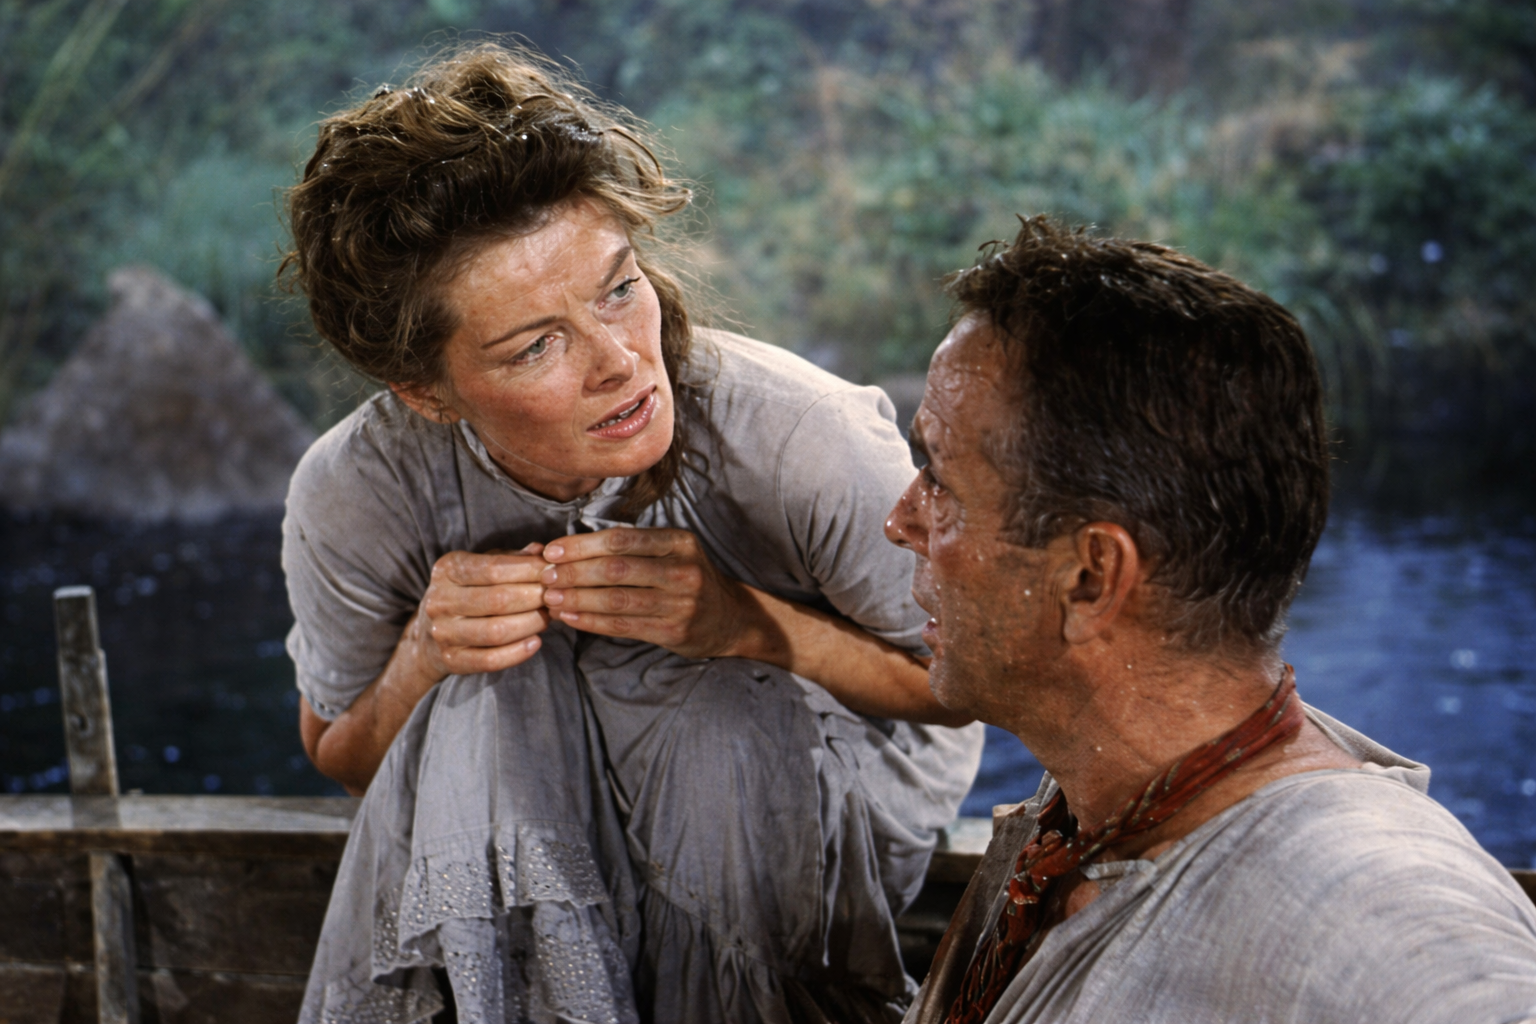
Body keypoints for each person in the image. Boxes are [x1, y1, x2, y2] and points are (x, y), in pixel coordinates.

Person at [279, 43, 983, 1024]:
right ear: (426, 392)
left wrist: (749, 626)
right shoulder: (356, 488)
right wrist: (425, 654)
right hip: (537, 812)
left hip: (821, 800)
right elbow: (341, 751)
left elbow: (964, 689)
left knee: (711, 715)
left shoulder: (804, 437)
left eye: (618, 288)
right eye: (537, 345)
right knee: (484, 700)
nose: (619, 362)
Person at [884, 216, 1536, 1024]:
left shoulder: (1376, 911)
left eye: (940, 480)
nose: (900, 521)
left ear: (1091, 578)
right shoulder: (1092, 814)